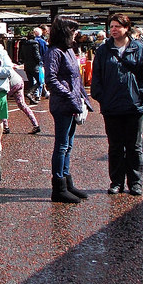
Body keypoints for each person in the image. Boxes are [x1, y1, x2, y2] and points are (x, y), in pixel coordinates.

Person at [91, 13, 143, 196]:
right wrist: (102, 97)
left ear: (126, 28)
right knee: (115, 146)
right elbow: (96, 78)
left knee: (134, 146)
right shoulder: (103, 50)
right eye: (111, 26)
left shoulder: (139, 48)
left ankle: (135, 182)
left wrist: (141, 94)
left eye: (117, 26)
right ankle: (116, 182)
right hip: (111, 106)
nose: (113, 30)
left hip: (134, 106)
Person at [45, 16, 93, 203]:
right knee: (62, 145)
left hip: (72, 103)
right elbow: (51, 79)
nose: (75, 34)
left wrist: (83, 99)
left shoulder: (69, 50)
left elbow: (76, 78)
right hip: (62, 104)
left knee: (68, 145)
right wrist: (70, 95)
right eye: (72, 30)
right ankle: (58, 186)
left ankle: (66, 180)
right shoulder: (54, 52)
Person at [19, 30, 43, 104]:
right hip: (34, 66)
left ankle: (31, 99)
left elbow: (21, 56)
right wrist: (40, 61)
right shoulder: (35, 44)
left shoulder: (23, 45)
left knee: (31, 82)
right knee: (39, 81)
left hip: (27, 66)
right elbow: (36, 55)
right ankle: (30, 93)